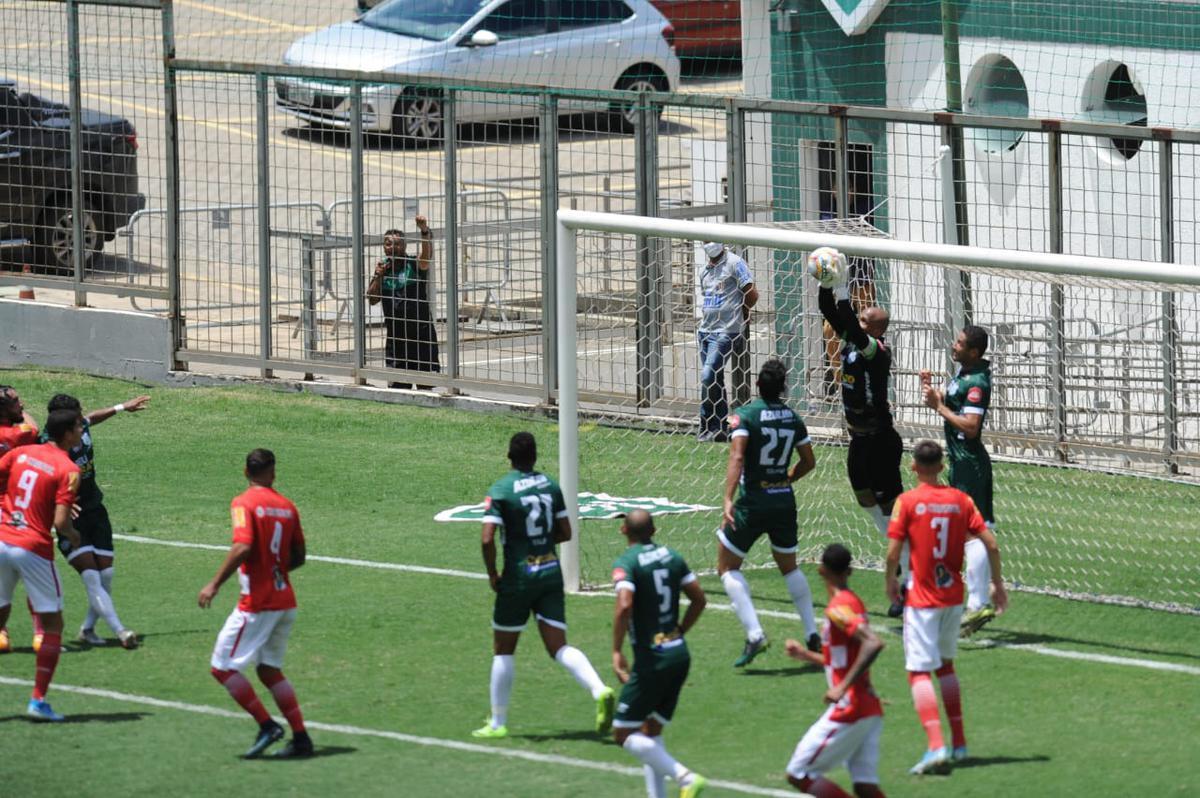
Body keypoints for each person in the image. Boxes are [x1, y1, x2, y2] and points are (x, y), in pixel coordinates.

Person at [473, 432, 615, 739]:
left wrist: (492, 573)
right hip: (550, 572)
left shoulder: (501, 490)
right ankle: (599, 689)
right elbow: (565, 532)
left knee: (503, 650)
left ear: (509, 456)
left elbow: (487, 538)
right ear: (535, 457)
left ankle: (497, 723)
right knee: (559, 645)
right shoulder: (551, 486)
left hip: (518, 577)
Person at [885, 440, 1006, 775]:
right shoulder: (961, 500)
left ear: (913, 467)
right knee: (947, 667)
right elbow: (990, 543)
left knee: (919, 671)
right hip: (953, 597)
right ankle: (961, 742)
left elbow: (894, 553)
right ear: (942, 466)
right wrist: (997, 584)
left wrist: (890, 583)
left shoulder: (907, 501)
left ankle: (936, 745)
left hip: (922, 600)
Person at [198, 449, 313, 759]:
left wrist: (214, 584)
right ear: (273, 473)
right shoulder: (288, 507)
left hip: (258, 604)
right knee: (269, 670)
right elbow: (299, 556)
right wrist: (276, 571)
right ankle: (301, 738)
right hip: (285, 600)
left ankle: (267, 725)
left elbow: (243, 545)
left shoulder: (243, 503)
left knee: (221, 668)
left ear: (245, 472)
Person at [810, 252, 905, 616]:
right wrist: (825, 281)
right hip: (859, 439)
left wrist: (846, 284)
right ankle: (903, 558)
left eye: (866, 318)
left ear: (876, 328)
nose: (860, 319)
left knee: (888, 504)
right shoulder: (854, 341)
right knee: (865, 498)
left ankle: (910, 573)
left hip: (881, 440)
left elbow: (846, 315)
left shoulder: (877, 351)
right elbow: (830, 311)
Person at [718, 358, 820, 667]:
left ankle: (755, 634)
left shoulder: (745, 416)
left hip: (754, 500)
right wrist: (786, 478)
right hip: (783, 499)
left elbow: (737, 457)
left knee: (727, 567)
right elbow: (809, 462)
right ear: (784, 388)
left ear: (758, 385)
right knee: (789, 566)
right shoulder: (793, 417)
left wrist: (727, 498)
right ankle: (813, 632)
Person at [611, 510, 708, 798]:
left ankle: (685, 778)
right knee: (651, 730)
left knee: (623, 732)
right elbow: (699, 600)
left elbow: (625, 605)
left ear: (623, 530)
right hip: (679, 654)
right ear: (654, 529)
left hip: (652, 660)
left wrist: (616, 650)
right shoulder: (673, 557)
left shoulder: (627, 563)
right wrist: (678, 631)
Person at [41, 393, 148, 650]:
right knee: (91, 577)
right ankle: (121, 632)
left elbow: (93, 418)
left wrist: (122, 407)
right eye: (78, 417)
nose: (83, 420)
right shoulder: (45, 446)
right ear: (64, 425)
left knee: (106, 575)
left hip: (95, 509)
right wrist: (59, 501)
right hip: (71, 517)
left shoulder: (79, 426)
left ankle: (87, 629)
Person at [0, 408, 83, 721]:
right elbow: (62, 523)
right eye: (78, 426)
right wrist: (74, 536)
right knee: (53, 625)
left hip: (3, 539)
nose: (80, 431)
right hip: (33, 549)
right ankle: (38, 701)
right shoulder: (68, 468)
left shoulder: (22, 453)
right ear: (67, 433)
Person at [783, 543, 885, 798]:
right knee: (865, 787)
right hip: (869, 707)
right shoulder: (853, 603)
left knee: (797, 773)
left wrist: (841, 686)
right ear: (849, 571)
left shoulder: (839, 609)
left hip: (851, 708)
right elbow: (839, 660)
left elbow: (873, 642)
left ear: (821, 571)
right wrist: (805, 655)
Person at [920, 326, 996, 637]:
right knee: (972, 531)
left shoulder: (976, 382)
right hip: (960, 463)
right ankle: (977, 602)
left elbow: (972, 426)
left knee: (973, 532)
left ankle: (978, 604)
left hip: (969, 464)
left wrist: (939, 407)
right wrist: (934, 393)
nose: (954, 345)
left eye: (961, 343)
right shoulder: (964, 373)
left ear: (974, 351)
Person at [367, 215, 440, 390]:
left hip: (421, 334)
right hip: (397, 337)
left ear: (404, 246)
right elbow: (372, 299)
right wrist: (378, 276)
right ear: (384, 247)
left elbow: (425, 258)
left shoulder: (412, 265)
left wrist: (424, 232)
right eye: (388, 243)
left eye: (397, 244)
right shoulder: (383, 270)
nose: (393, 247)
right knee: (398, 386)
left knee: (425, 385)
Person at [696, 241, 758, 441]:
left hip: (726, 332)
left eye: (712, 240)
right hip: (705, 331)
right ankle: (720, 427)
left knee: (707, 376)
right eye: (705, 241)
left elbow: (752, 293)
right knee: (715, 379)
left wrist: (743, 312)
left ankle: (706, 425)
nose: (709, 244)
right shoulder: (705, 271)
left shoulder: (734, 263)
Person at [0, 385, 43, 654]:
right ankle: (40, 633)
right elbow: (34, 428)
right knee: (34, 575)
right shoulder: (18, 434)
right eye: (16, 401)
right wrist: (23, 413)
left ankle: (1, 633)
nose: (21, 403)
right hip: (16, 511)